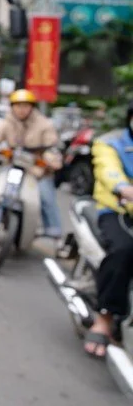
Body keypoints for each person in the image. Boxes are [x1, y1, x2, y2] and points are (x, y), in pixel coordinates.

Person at [82, 101, 133, 358]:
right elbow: (108, 170)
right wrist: (123, 189)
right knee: (124, 250)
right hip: (116, 210)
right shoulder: (110, 142)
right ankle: (105, 317)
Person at [0, 88, 65, 239]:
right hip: (13, 167)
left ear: (32, 107)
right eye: (18, 106)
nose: (21, 110)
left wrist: (51, 158)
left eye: (25, 106)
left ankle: (54, 231)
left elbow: (52, 146)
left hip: (37, 171)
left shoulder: (44, 124)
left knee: (46, 197)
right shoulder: (8, 122)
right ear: (12, 107)